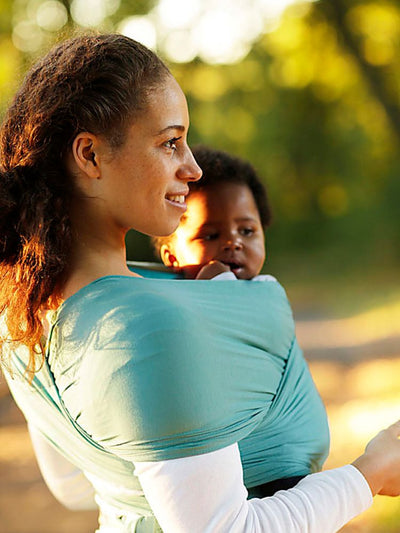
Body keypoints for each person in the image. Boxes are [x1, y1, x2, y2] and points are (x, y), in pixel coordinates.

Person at [1, 33, 400, 533]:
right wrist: (372, 472)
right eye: (170, 142)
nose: (192, 167)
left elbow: (75, 487)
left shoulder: (25, 311)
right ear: (90, 155)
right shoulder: (144, 325)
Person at [152, 145, 273, 282]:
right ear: (172, 257)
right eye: (211, 236)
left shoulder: (269, 289)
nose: (233, 243)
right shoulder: (167, 300)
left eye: (246, 231)